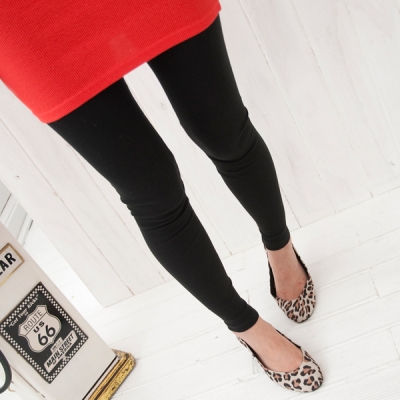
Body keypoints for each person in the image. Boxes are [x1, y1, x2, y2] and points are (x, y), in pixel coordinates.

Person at [0, 0, 323, 392]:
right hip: (23, 20)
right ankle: (247, 327)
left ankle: (281, 250)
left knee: (225, 131)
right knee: (152, 190)